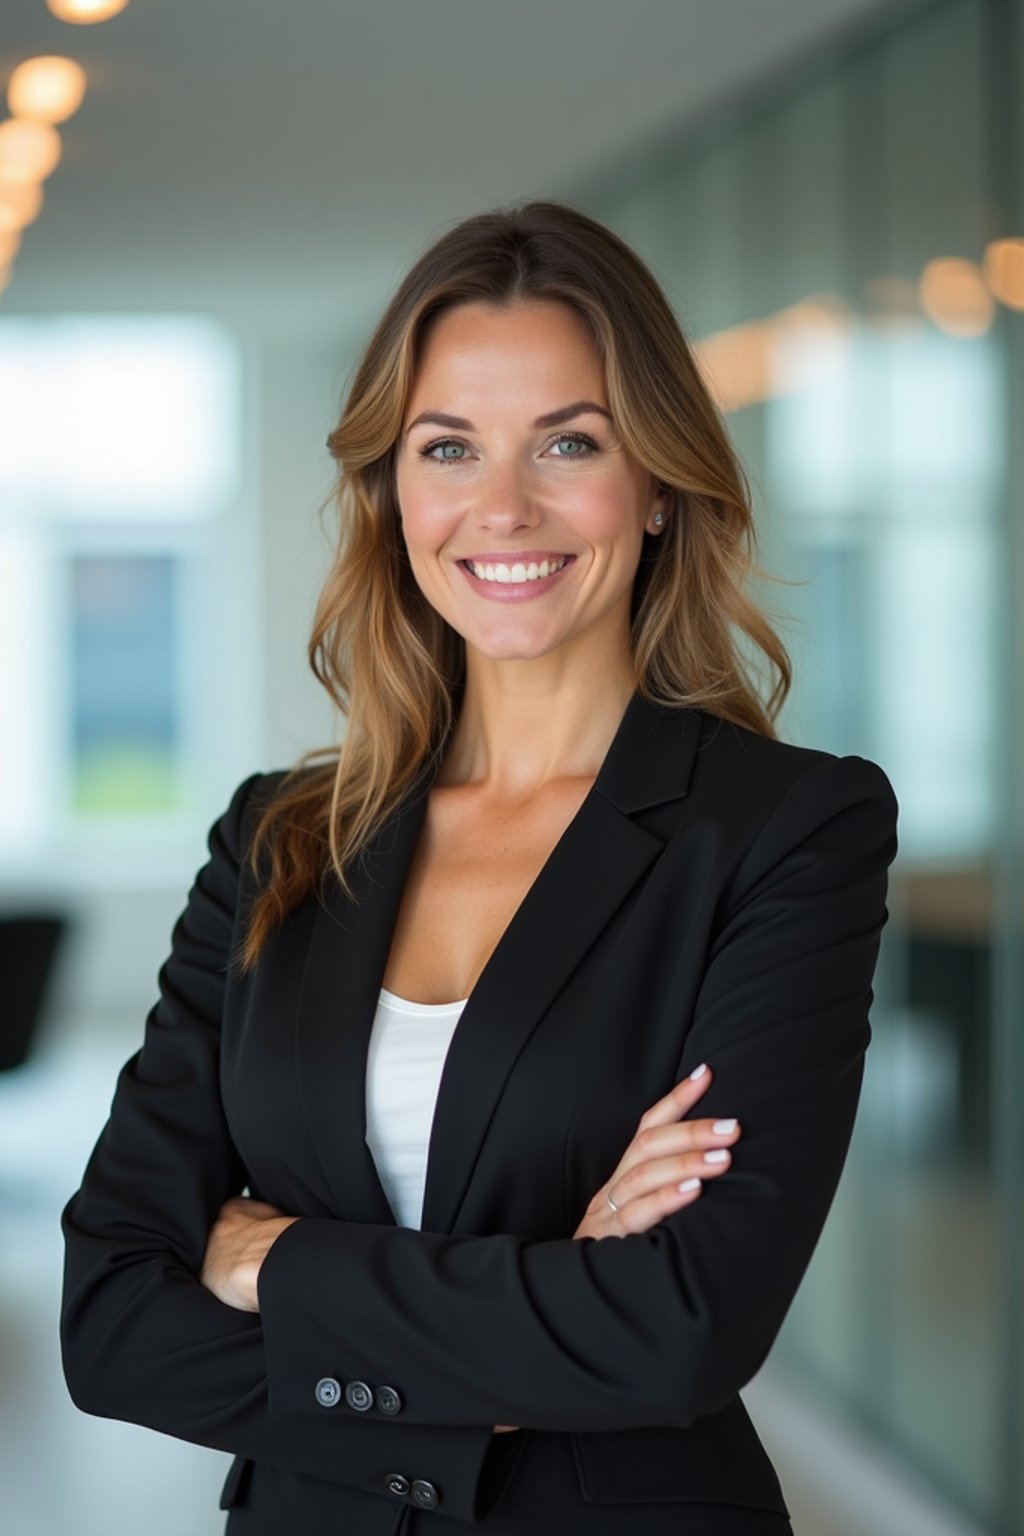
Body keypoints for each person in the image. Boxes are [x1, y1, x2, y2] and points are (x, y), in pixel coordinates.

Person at [59, 198, 899, 1535]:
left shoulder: (783, 830)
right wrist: (536, 1312)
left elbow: (677, 1327)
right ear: (393, 494)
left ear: (664, 484)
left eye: (570, 442)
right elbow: (110, 1323)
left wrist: (264, 1259)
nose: (502, 506)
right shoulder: (280, 838)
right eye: (448, 447)